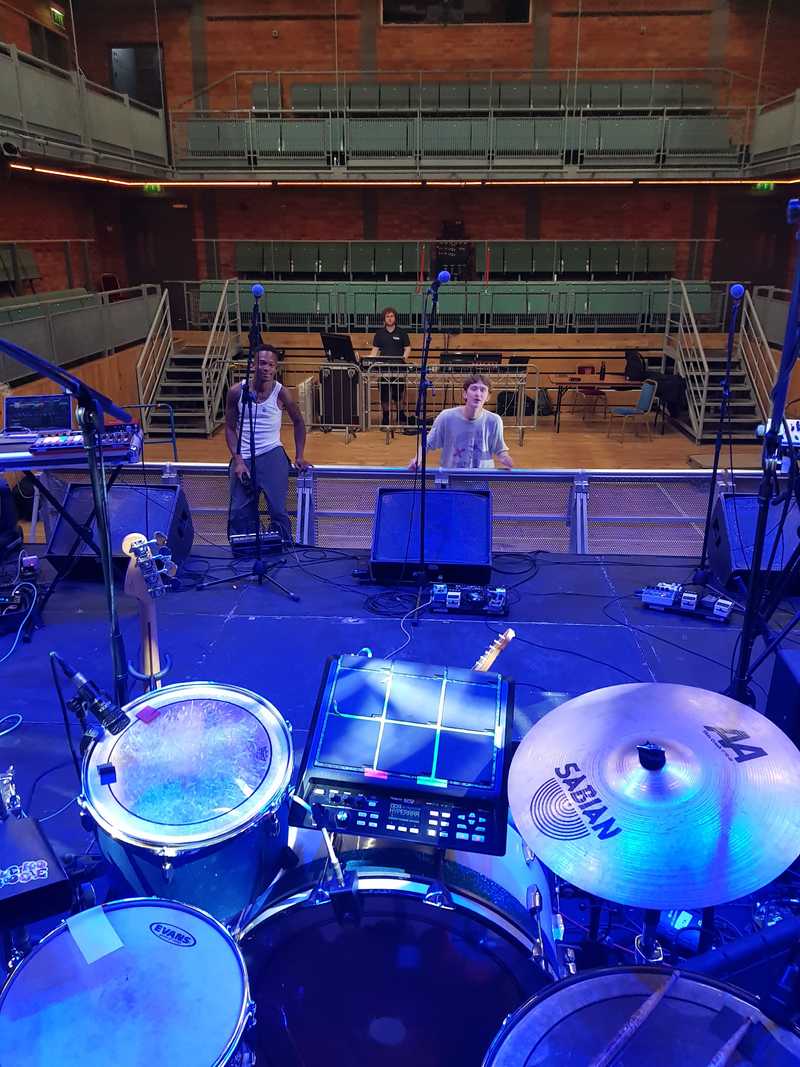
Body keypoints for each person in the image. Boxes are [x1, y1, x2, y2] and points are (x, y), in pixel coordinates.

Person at [225, 345, 310, 545]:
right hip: (243, 457)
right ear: (253, 364)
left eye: (271, 365)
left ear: (276, 368)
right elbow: (229, 428)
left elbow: (299, 422)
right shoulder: (236, 392)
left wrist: (299, 456)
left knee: (278, 510)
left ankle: (284, 550)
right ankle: (244, 554)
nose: (266, 368)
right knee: (239, 511)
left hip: (272, 452)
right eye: (262, 363)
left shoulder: (282, 393)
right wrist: (238, 460)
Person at [408, 373, 513, 471]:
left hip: (481, 480)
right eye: (474, 388)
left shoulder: (494, 420)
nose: (478, 393)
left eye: (483, 390)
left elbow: (500, 449)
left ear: (488, 397)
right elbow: (428, 443)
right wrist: (418, 458)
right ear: (465, 394)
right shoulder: (446, 416)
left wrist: (505, 458)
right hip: (450, 478)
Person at [368, 306, 411, 425]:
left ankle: (400, 415)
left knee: (399, 393)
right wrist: (367, 360)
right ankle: (386, 416)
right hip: (384, 370)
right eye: (387, 316)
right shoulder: (379, 334)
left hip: (398, 369)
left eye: (392, 316)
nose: (390, 318)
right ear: (384, 319)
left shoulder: (402, 333)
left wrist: (403, 359)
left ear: (395, 318)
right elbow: (374, 351)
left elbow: (407, 349)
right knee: (384, 393)